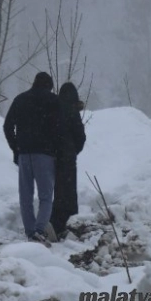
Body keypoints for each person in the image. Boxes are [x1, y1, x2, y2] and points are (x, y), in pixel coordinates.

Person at [3, 72, 61, 246]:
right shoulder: (54, 101)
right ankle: (39, 230)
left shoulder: (20, 99)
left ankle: (30, 232)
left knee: (25, 196)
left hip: (24, 154)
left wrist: (16, 148)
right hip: (45, 155)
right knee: (45, 196)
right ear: (49, 86)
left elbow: (7, 126)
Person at [50, 82, 86, 241]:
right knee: (68, 190)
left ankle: (55, 222)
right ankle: (65, 222)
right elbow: (80, 136)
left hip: (54, 155)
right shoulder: (73, 110)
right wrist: (73, 150)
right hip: (68, 157)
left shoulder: (54, 110)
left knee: (57, 190)